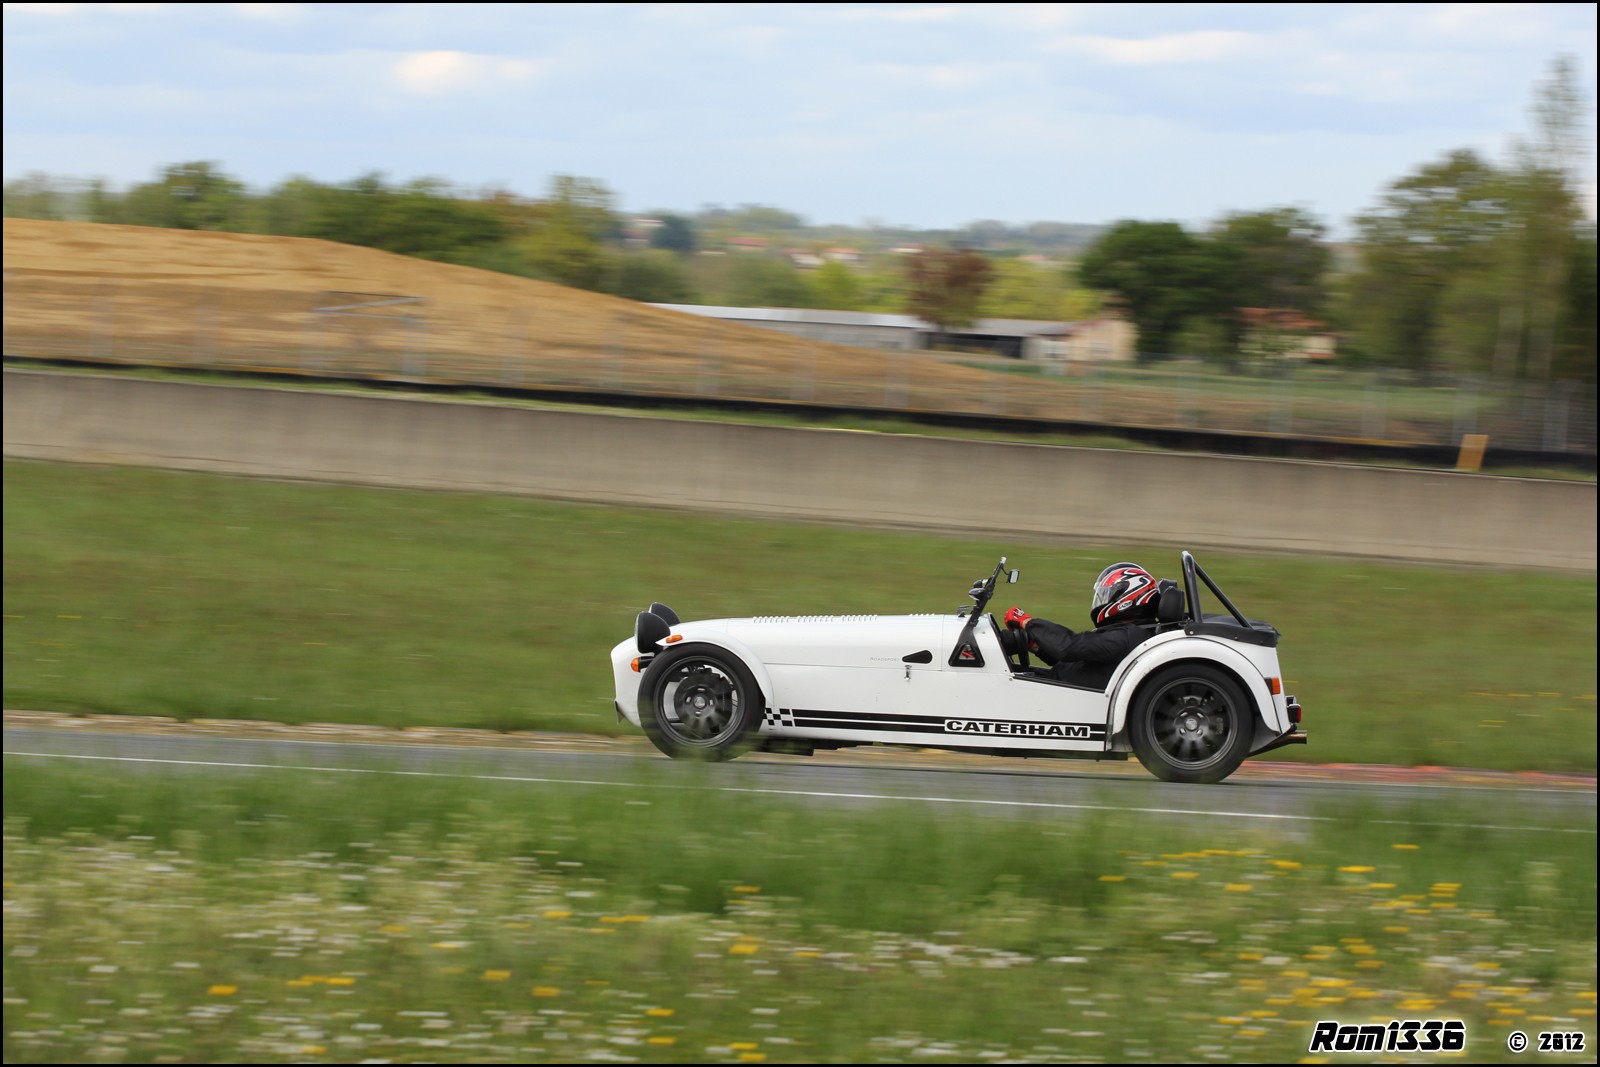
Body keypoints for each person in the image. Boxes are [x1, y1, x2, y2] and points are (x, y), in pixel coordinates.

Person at [1003, 562, 1163, 689]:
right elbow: (1076, 659)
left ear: (1128, 598)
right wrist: (1036, 645)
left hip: (1066, 698)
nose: (1102, 600)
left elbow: (1068, 647)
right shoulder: (1130, 633)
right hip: (1061, 689)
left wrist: (1028, 623)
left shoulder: (1125, 637)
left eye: (1107, 594)